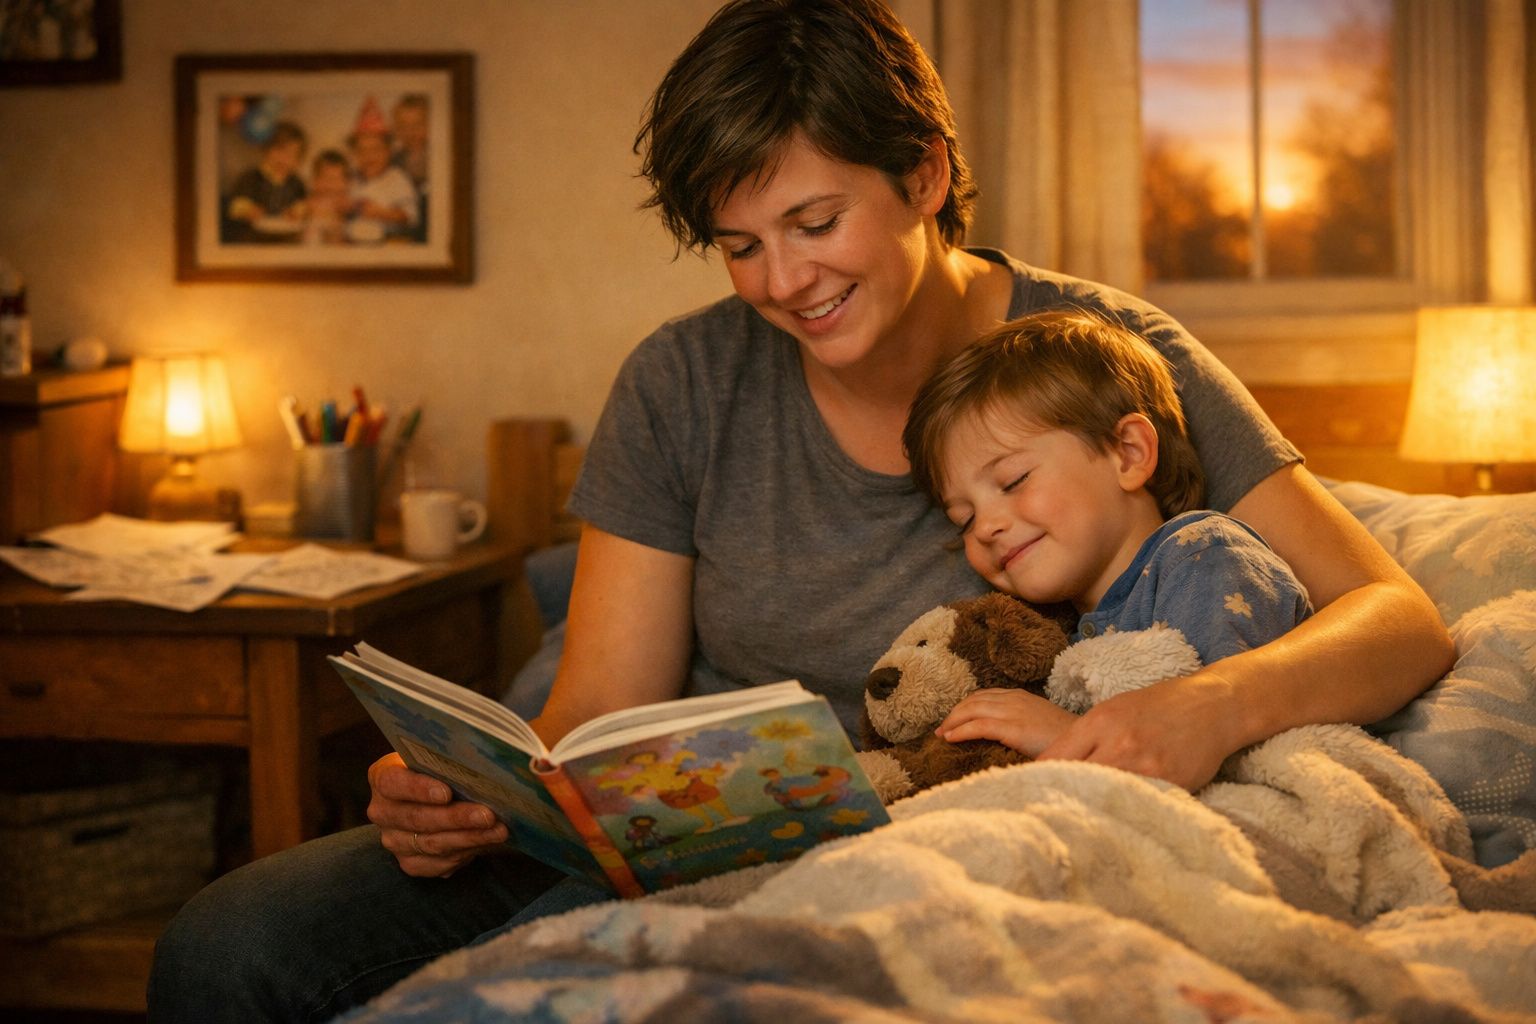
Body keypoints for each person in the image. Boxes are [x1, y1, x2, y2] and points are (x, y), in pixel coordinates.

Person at [148, 2, 1452, 1020]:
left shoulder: (1103, 361)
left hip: (935, 842)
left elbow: (1395, 617)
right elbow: (594, 706)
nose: (782, 283)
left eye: (815, 221)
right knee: (227, 947)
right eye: (739, 243)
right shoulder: (683, 379)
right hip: (669, 842)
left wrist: (1200, 707)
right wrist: (466, 790)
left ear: (927, 173)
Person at [900, 309, 1313, 752]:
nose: (984, 527)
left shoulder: (1206, 560)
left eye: (1014, 480)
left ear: (1129, 454)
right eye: (963, 518)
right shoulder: (1056, 632)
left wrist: (1068, 737)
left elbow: (1218, 742)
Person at [222, 120, 308, 244]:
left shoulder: (296, 183)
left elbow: (302, 204)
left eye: (291, 155)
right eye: (279, 151)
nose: (284, 159)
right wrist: (248, 210)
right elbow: (235, 205)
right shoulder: (250, 178)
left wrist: (296, 212)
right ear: (266, 149)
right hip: (253, 238)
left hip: (286, 238)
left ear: (298, 161)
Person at [303, 148, 352, 246]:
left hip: (337, 246)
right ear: (315, 181)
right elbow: (304, 210)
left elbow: (347, 209)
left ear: (346, 183)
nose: (331, 184)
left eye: (337, 179)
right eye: (325, 178)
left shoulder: (343, 200)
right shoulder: (312, 200)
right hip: (311, 246)